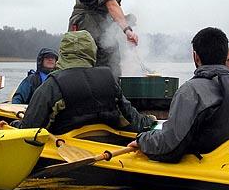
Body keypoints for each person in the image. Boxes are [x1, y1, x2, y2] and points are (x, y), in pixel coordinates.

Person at [128, 27, 229, 163]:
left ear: (196, 56)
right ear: (224, 57)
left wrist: (142, 140)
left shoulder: (190, 92)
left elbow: (169, 144)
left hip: (202, 166)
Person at [11, 30, 156, 135]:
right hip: (105, 144)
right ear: (92, 51)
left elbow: (28, 130)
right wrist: (150, 120)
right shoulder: (108, 79)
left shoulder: (52, 85)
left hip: (66, 148)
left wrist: (14, 124)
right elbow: (134, 121)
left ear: (63, 53)